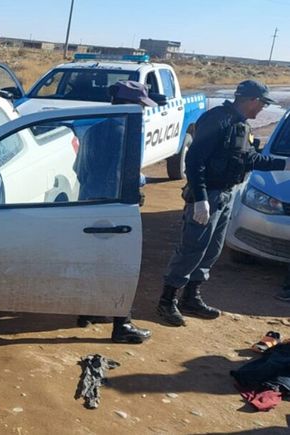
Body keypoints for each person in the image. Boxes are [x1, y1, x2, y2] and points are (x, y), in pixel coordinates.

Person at [157, 80, 290, 326]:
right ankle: (167, 300)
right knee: (192, 249)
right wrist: (200, 199)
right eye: (262, 104)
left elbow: (249, 158)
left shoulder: (242, 126)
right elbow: (194, 161)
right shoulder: (217, 120)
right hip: (208, 196)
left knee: (212, 249)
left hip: (226, 195)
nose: (262, 109)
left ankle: (191, 297)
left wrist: (284, 164)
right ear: (252, 100)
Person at [77, 80, 155, 344]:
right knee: (121, 266)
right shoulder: (126, 133)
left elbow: (80, 170)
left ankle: (88, 311)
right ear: (128, 105)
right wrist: (140, 183)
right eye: (141, 106)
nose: (143, 111)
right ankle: (123, 325)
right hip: (114, 207)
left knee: (93, 261)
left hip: (88, 203)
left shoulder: (94, 129)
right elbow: (125, 175)